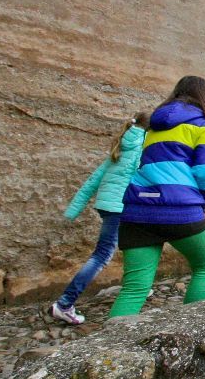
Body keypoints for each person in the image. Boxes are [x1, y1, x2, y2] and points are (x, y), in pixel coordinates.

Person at [108, 76, 205, 317]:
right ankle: (189, 329)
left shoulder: (151, 129)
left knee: (134, 288)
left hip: (137, 210)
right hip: (180, 209)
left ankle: (106, 351)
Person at [52, 113, 149, 325]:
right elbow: (144, 180)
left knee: (134, 242)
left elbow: (93, 180)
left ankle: (138, 284)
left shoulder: (121, 147)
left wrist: (73, 210)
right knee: (102, 255)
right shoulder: (142, 148)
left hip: (107, 206)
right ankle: (64, 304)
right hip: (120, 207)